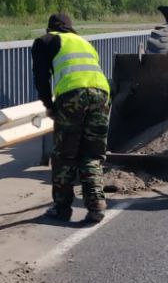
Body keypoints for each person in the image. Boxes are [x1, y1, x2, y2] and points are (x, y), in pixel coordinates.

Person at [31, 12, 111, 224]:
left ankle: (62, 208)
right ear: (70, 28)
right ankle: (96, 206)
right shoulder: (84, 42)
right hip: (102, 95)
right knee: (91, 154)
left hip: (73, 96)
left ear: (50, 28)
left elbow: (41, 78)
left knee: (64, 155)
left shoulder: (45, 41)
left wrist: (49, 106)